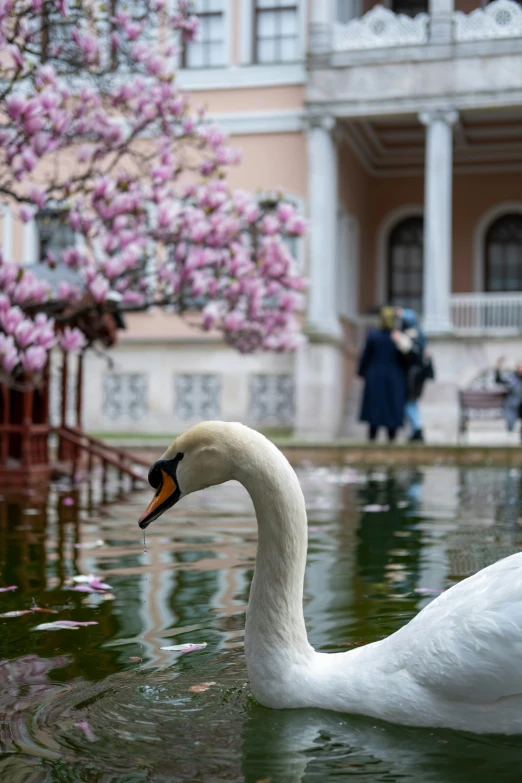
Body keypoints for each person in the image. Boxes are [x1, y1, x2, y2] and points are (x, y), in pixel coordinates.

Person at [358, 306, 407, 442]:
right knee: (391, 406)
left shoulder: (374, 335)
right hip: (394, 376)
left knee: (375, 406)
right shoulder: (397, 336)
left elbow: (365, 356)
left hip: (375, 375)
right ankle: (391, 437)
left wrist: (361, 372)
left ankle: (373, 437)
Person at [392, 308, 429, 442]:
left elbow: (412, 354)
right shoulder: (418, 333)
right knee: (412, 403)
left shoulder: (411, 334)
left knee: (409, 403)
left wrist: (400, 340)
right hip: (416, 374)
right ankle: (415, 430)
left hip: (413, 375)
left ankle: (417, 430)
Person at [495, 357, 522, 438]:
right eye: (520, 367)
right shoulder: (512, 378)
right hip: (513, 406)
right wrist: (498, 369)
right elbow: (499, 380)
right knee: (511, 419)